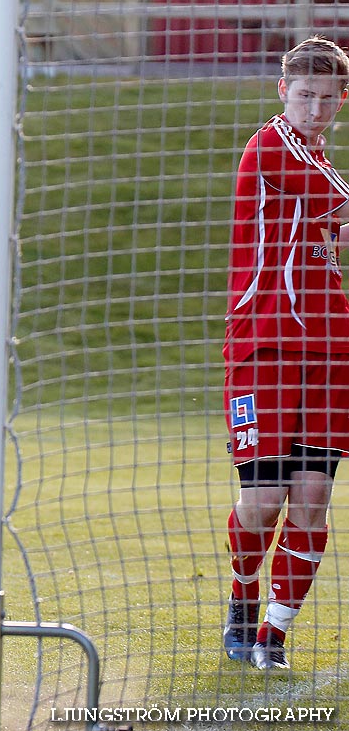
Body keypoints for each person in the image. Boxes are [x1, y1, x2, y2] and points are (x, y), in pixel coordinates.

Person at [222, 35, 349, 671]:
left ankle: (273, 636)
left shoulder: (321, 164)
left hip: (328, 349)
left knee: (313, 499)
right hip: (263, 344)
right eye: (306, 95)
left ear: (342, 99)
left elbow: (336, 228)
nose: (317, 107)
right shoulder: (273, 143)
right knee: (264, 501)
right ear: (283, 91)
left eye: (329, 98)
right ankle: (243, 601)